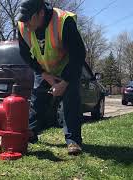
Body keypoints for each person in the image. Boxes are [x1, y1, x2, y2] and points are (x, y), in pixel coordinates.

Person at [16, 0, 86, 155]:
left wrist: (65, 82)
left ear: (40, 13)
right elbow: (25, 54)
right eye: (22, 19)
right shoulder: (22, 25)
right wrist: (44, 74)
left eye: (28, 19)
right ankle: (31, 133)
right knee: (37, 100)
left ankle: (73, 141)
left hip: (68, 68)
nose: (24, 23)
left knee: (70, 101)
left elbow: (79, 54)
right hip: (44, 70)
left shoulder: (63, 21)